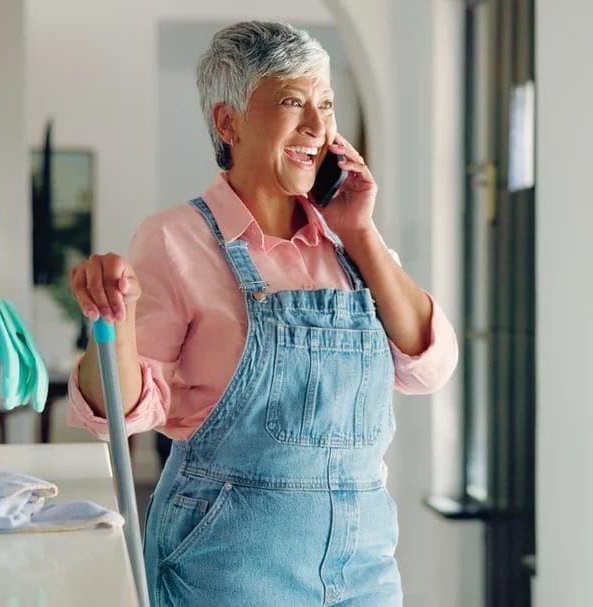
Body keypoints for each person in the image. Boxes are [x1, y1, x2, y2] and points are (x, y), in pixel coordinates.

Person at [68, 21, 458, 606]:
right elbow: (120, 415)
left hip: (364, 568)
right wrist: (115, 322)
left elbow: (429, 366)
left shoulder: (349, 241)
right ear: (229, 123)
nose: (318, 127)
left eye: (327, 104)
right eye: (293, 102)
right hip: (229, 565)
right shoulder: (176, 239)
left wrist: (360, 231)